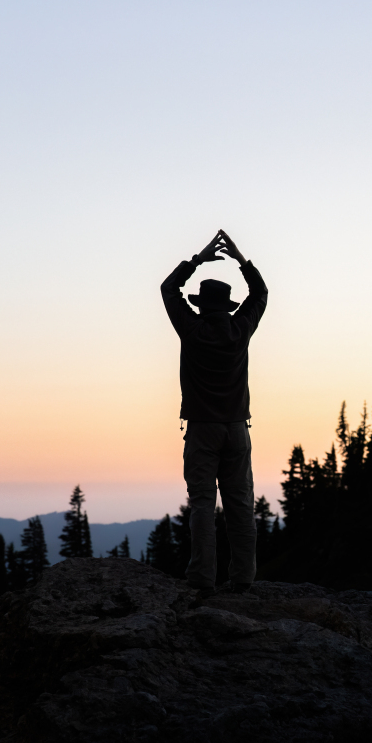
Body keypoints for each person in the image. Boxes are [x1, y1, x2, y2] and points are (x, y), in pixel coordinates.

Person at [160, 229, 268, 597]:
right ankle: (243, 579)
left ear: (202, 306)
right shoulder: (241, 329)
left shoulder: (191, 329)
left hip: (202, 430)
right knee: (240, 504)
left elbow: (168, 290)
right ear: (228, 306)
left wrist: (197, 259)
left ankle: (202, 578)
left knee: (203, 504)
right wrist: (241, 259)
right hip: (238, 428)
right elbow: (261, 294)